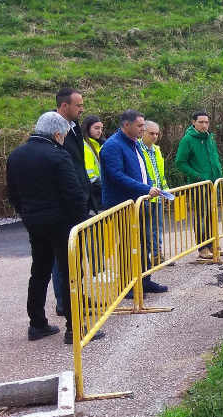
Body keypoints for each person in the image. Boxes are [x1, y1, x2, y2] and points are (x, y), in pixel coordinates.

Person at [6, 112, 99, 343]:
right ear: (57, 133)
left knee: (39, 272)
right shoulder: (58, 156)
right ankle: (74, 328)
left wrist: (26, 215)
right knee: (70, 275)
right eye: (64, 134)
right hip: (61, 223)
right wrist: (80, 220)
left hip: (34, 222)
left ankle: (37, 324)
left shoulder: (16, 155)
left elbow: (13, 193)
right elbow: (73, 193)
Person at [100, 109, 167, 294]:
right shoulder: (112, 146)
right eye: (139, 126)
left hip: (139, 201)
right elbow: (116, 176)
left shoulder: (134, 143)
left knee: (143, 242)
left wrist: (151, 186)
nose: (142, 129)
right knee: (128, 245)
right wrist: (145, 189)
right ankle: (128, 285)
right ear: (126, 125)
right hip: (123, 204)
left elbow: (142, 170)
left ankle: (144, 279)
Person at [51, 88, 92, 317]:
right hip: (64, 203)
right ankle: (64, 302)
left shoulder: (75, 127)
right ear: (64, 106)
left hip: (79, 198)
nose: (81, 109)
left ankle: (78, 295)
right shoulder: (54, 129)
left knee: (77, 253)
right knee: (62, 256)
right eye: (78, 105)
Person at [175, 110, 223, 259]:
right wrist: (197, 176)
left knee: (212, 215)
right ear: (193, 122)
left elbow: (214, 157)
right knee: (201, 217)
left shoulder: (210, 138)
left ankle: (213, 245)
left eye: (206, 122)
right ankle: (202, 248)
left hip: (214, 183)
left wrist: (219, 173)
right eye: (201, 122)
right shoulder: (188, 140)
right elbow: (180, 163)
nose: (204, 125)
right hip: (199, 186)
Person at [138, 121, 168, 267]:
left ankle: (157, 255)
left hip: (159, 194)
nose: (155, 136)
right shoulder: (137, 149)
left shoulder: (156, 149)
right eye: (151, 133)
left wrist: (166, 190)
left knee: (158, 227)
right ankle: (148, 258)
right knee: (147, 230)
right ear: (143, 132)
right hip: (146, 195)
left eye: (157, 133)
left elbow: (160, 173)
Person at [81, 115, 105, 206]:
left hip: (99, 190)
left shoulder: (99, 145)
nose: (100, 131)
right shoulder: (85, 146)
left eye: (101, 128)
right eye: (96, 128)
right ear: (87, 128)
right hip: (94, 193)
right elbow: (90, 175)